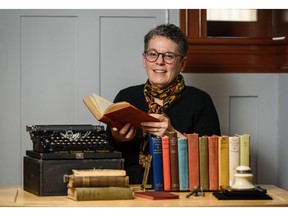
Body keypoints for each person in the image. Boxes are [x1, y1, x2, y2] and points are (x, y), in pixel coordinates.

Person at [106, 23, 221, 184]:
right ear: (144, 60)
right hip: (128, 188)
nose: (159, 62)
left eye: (168, 56)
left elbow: (213, 159)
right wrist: (116, 138)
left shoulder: (201, 101)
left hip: (181, 188)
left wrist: (174, 136)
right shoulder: (126, 97)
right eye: (152, 54)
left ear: (182, 64)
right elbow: (106, 154)